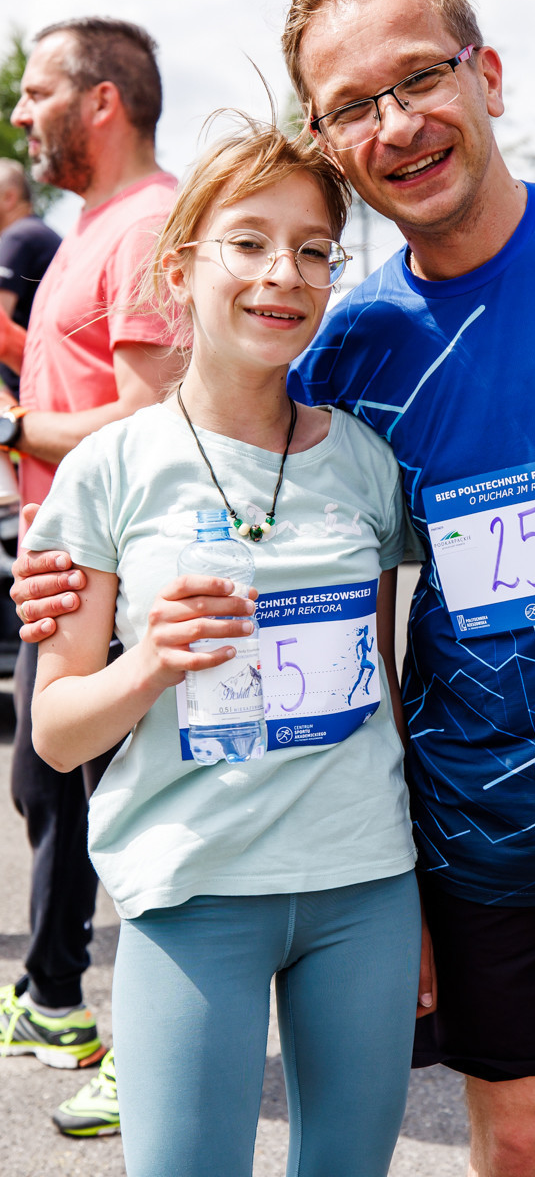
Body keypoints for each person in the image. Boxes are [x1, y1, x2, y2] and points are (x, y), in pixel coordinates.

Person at [14, 0, 535, 1174]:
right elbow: (281, 536)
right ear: (327, 137)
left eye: (419, 77)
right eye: (351, 105)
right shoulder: (346, 345)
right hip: (478, 834)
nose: (394, 123)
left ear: (485, 77)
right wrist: (82, 577)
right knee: (517, 1142)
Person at [20, 114, 420, 1177]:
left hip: (365, 886)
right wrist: (148, 662)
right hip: (189, 890)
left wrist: (423, 897)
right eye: (248, 242)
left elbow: (380, 682)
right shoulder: (108, 470)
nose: (281, 273)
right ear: (180, 267)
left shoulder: (367, 465)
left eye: (312, 250)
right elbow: (56, 733)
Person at [0, 16, 177, 1090]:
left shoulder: (150, 224)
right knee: (46, 786)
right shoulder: (89, 225)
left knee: (123, 808)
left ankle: (141, 1045)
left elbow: (145, 413)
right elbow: (79, 373)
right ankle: (57, 998)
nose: (21, 112)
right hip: (59, 567)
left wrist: (14, 430)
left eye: (36, 91)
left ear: (101, 100)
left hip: (112, 577)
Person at [0, 159, 60, 399]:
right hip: (48, 387)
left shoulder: (18, 237)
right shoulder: (40, 233)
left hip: (38, 394)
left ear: (9, 198)